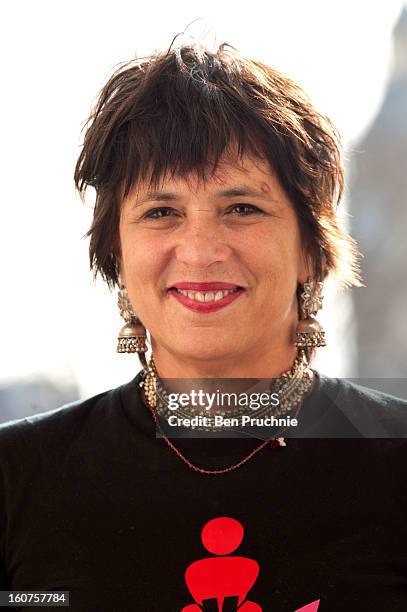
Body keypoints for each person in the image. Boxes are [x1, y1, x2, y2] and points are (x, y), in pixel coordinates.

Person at [0, 41, 406, 612]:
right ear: (116, 250)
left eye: (242, 208)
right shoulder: (18, 479)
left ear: (313, 249)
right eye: (161, 212)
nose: (199, 251)